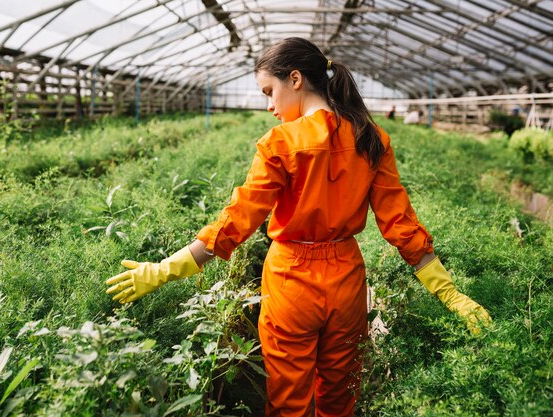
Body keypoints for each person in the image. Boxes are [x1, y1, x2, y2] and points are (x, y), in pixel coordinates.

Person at [105, 38, 492, 417]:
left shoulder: (280, 143)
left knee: (289, 402)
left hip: (292, 281)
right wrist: (451, 295)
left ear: (295, 79)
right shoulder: (370, 138)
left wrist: (166, 268)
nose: (270, 106)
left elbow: (237, 220)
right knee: (340, 397)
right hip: (347, 281)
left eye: (269, 91)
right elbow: (401, 224)